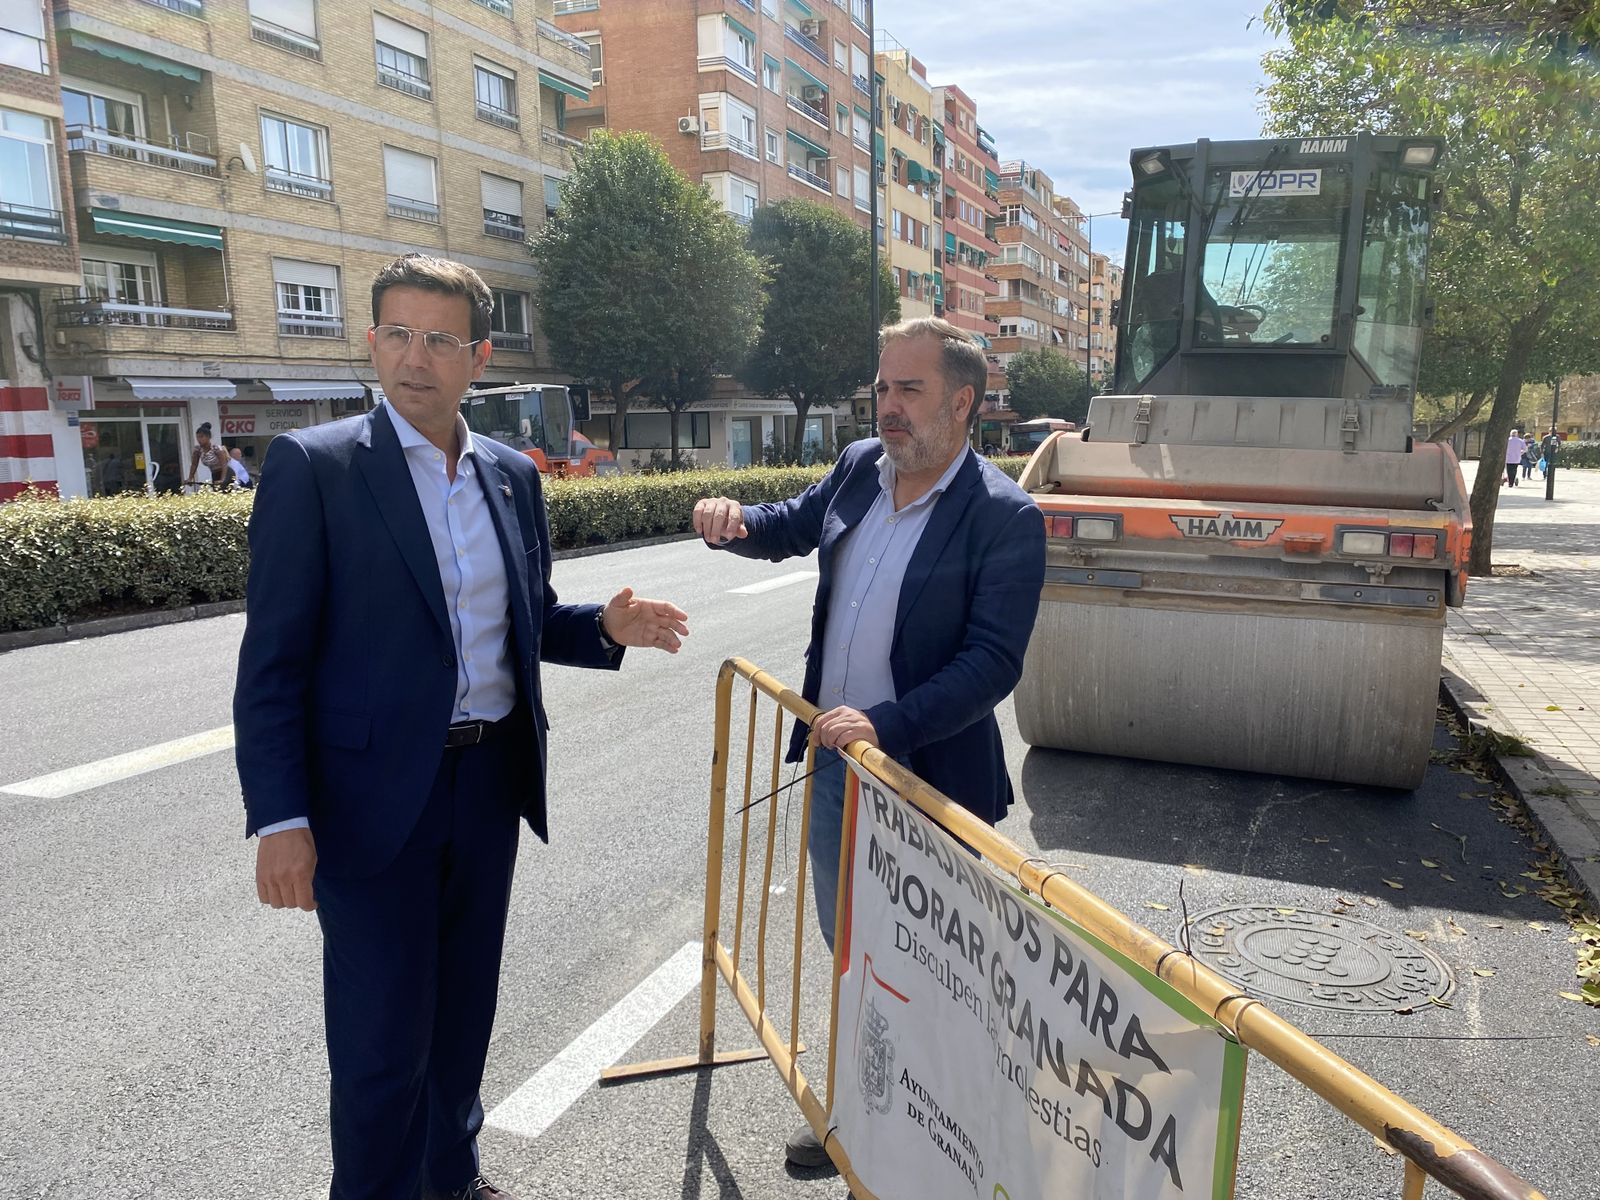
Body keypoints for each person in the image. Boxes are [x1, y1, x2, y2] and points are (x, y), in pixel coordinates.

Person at [234, 253, 690, 1200]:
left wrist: (602, 628)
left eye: (441, 339)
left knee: (461, 1019)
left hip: (487, 789)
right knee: (379, 1045)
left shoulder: (512, 475)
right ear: (370, 342)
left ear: (478, 357)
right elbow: (272, 664)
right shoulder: (315, 470)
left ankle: (453, 1177)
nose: (416, 357)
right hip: (368, 806)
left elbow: (523, 618)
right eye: (397, 333)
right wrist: (281, 819)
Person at [691, 316, 1046, 1169]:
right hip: (836, 769)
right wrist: (736, 519)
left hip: (930, 783)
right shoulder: (858, 468)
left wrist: (888, 724)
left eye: (909, 390)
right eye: (882, 388)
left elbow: (991, 664)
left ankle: (943, 1131)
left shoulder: (1005, 518)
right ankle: (858, 1110)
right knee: (853, 949)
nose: (887, 407)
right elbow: (792, 523)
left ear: (962, 403)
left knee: (933, 963)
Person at [186, 421, 228, 488]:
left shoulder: (216, 449)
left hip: (226, 473)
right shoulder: (198, 450)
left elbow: (224, 464)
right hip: (214, 474)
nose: (199, 439)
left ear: (208, 437)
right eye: (197, 437)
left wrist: (222, 479)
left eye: (201, 437)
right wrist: (190, 478)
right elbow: (194, 465)